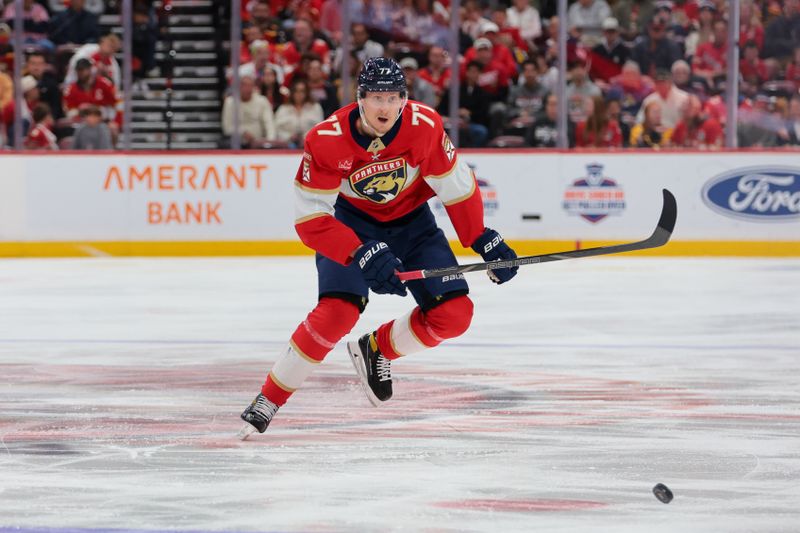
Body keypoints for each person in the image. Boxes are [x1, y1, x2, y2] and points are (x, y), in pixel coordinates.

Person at [239, 57, 519, 437]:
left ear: (404, 99)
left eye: (392, 98)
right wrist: (360, 251)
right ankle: (269, 398)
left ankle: (377, 350)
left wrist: (481, 237)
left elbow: (457, 185)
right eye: (376, 97)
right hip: (351, 227)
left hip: (413, 226)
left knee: (454, 314)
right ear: (360, 99)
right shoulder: (326, 139)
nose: (384, 107)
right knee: (337, 312)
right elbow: (311, 219)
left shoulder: (424, 126)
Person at [221, 75, 276, 148]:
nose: (247, 89)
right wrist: (242, 132)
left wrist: (270, 141)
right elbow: (227, 127)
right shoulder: (229, 102)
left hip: (258, 142)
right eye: (244, 85)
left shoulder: (262, 101)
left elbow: (269, 123)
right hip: (236, 142)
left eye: (250, 85)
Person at [273, 77, 324, 148]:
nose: (299, 94)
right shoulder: (283, 109)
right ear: (292, 93)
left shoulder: (315, 108)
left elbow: (320, 128)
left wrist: (305, 137)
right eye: (296, 91)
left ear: (307, 92)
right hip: (286, 146)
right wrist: (288, 137)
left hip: (310, 145)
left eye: (302, 91)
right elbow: (276, 129)